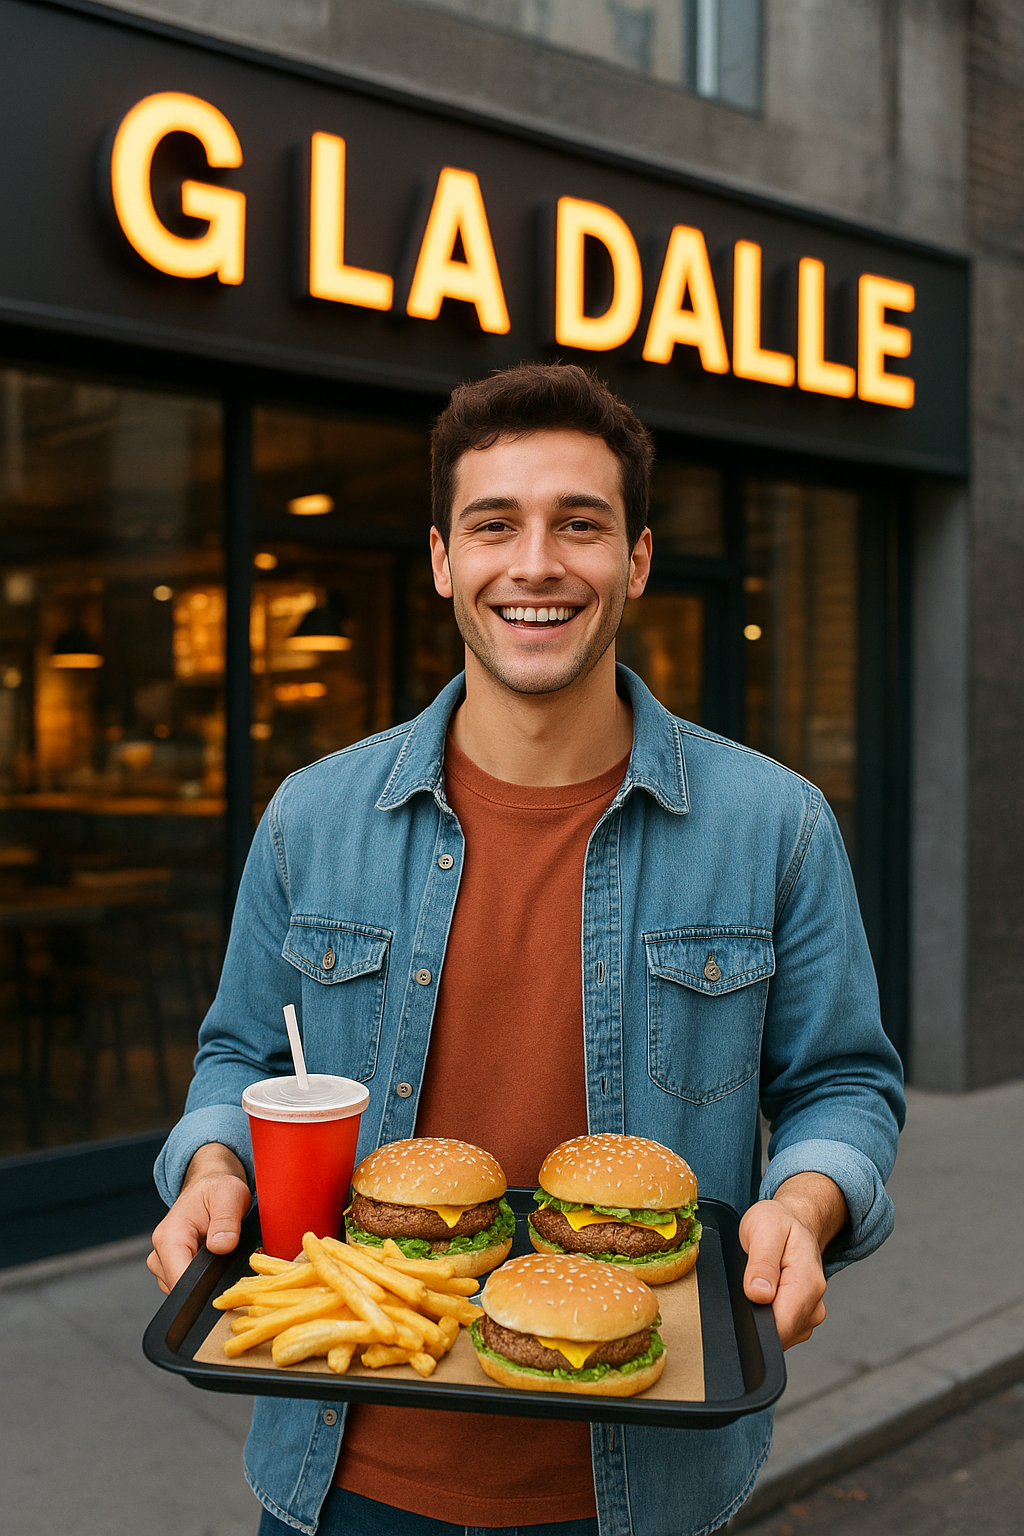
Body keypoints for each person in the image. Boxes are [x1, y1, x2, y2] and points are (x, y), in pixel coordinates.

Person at [148, 362, 905, 1536]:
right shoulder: (312, 815)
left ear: (636, 560)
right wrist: (210, 1170)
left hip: (640, 1484)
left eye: (580, 524)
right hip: (341, 1467)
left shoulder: (776, 825)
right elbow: (240, 1058)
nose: (536, 563)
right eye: (494, 524)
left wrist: (803, 1210)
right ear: (444, 559)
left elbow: (843, 1085)